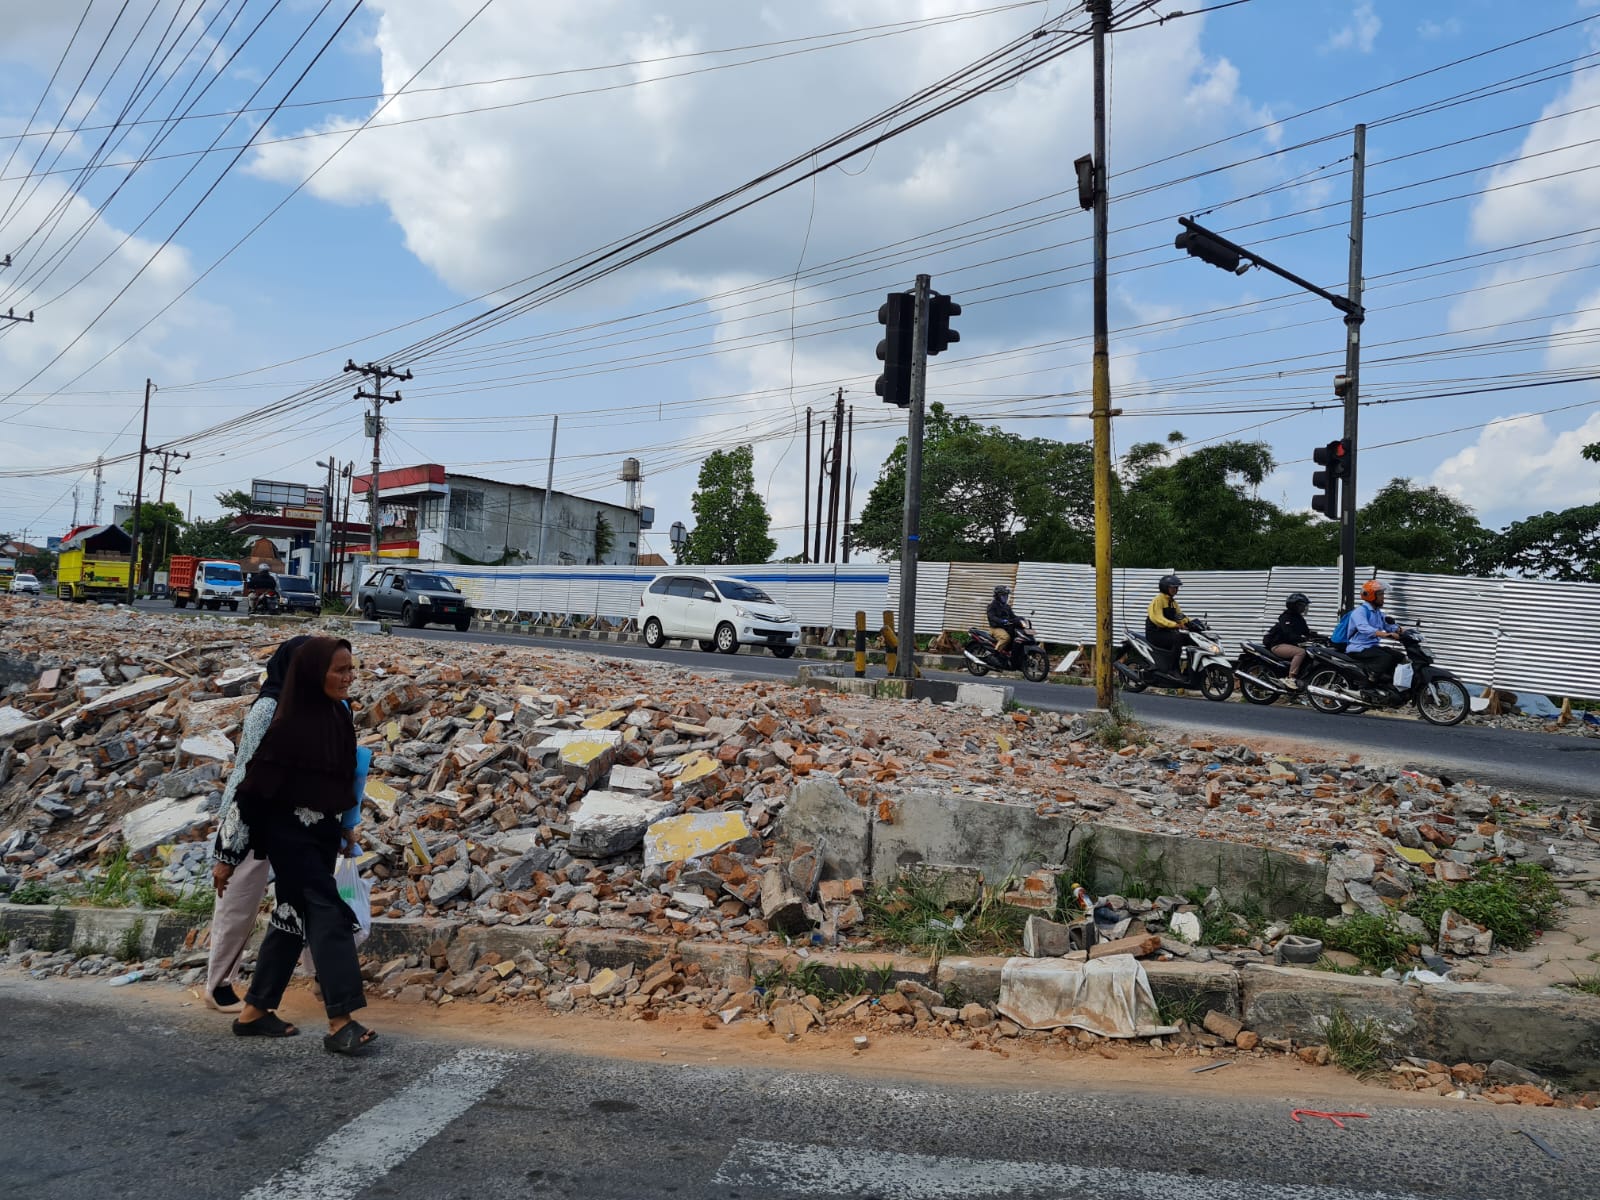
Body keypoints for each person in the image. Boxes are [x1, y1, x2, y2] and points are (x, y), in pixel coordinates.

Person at [217, 637, 377, 1055]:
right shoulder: (283, 723)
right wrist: (226, 854)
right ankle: (341, 1020)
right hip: (288, 836)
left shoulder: (338, 718)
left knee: (290, 917)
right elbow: (249, 791)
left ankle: (254, 1011)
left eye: (351, 669)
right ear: (311, 674)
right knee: (328, 914)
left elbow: (344, 781)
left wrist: (346, 826)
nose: (349, 678)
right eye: (339, 670)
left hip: (322, 837)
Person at [1345, 579, 1400, 688]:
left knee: (1398, 656)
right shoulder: (1360, 611)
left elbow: (1389, 626)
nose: (1383, 597)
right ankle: (1368, 683)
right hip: (1358, 647)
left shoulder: (1378, 612)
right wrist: (1385, 635)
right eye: (1380, 594)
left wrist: (1403, 631)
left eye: (1383, 594)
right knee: (1385, 658)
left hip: (1371, 647)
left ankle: (1387, 684)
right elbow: (1364, 628)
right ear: (1371, 596)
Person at [1264, 592, 1319, 689]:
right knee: (1301, 652)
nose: (1304, 608)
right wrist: (1303, 638)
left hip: (1289, 645)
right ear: (1294, 606)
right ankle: (1291, 678)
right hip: (1278, 645)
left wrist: (1321, 637)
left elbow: (1306, 632)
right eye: (1302, 605)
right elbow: (1289, 634)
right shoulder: (1286, 617)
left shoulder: (1299, 618)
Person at [1144, 574, 1189, 666]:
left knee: (1189, 639)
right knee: (1178, 639)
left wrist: (1192, 623)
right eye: (1173, 587)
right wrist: (1175, 625)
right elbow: (1158, 619)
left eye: (1176, 588)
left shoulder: (1173, 603)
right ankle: (1173, 668)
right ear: (1165, 587)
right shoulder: (1158, 600)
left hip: (1167, 633)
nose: (1176, 590)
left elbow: (1180, 616)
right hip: (1155, 634)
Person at [986, 584, 1021, 655]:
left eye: (1006, 596)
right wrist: (1001, 621)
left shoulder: (1006, 607)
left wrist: (1020, 619)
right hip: (995, 628)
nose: (1005, 597)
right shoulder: (992, 605)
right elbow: (992, 617)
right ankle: (995, 654)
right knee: (1006, 638)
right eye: (1003, 596)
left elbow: (1013, 616)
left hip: (1005, 627)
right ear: (998, 596)